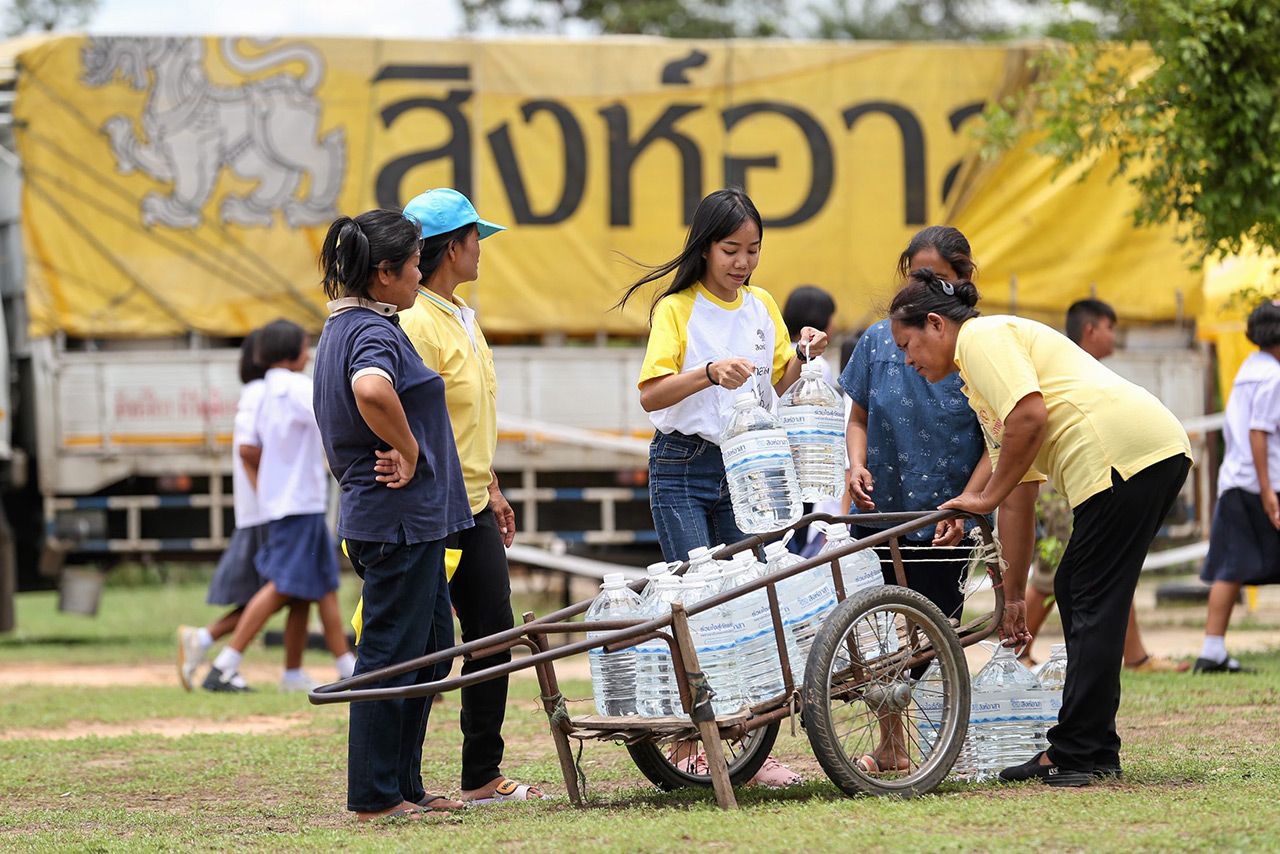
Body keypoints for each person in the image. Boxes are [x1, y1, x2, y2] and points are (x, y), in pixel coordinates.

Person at [890, 269, 1191, 786]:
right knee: (1081, 589)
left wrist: (981, 496)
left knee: (1087, 593)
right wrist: (1010, 596)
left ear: (936, 324)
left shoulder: (983, 339)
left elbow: (1030, 418)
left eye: (907, 344)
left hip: (1123, 456)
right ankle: (1092, 747)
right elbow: (1020, 497)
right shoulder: (977, 381)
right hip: (1143, 455)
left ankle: (1077, 750)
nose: (907, 360)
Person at [621, 187, 828, 789]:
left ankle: (748, 749)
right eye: (731, 249)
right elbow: (651, 393)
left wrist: (806, 354)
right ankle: (691, 745)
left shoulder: (763, 305)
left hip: (748, 467)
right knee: (693, 604)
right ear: (705, 248)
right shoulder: (676, 308)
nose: (743, 262)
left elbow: (778, 387)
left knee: (745, 603)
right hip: (684, 466)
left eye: (753, 250)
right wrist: (708, 372)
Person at [312, 209, 473, 821]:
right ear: (383, 274)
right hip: (395, 521)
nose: (419, 274)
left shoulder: (354, 324)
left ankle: (404, 785)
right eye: (412, 265)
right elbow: (372, 391)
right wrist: (409, 450)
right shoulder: (372, 334)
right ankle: (375, 797)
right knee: (391, 656)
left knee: (429, 647)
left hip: (407, 520)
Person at [398, 188, 540, 804]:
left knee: (493, 634)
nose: (482, 249)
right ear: (451, 248)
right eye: (476, 238)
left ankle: (482, 774)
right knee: (425, 645)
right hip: (433, 508)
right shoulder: (415, 322)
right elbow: (416, 421)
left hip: (476, 502)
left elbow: (471, 418)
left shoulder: (463, 315)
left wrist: (496, 488)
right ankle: (402, 781)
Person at [838, 225, 995, 775]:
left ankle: (929, 732)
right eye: (916, 276)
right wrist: (855, 464)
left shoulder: (978, 345)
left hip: (949, 509)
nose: (926, 287)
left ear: (963, 280)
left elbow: (997, 435)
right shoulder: (880, 338)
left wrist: (972, 502)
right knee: (880, 628)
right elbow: (856, 414)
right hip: (882, 504)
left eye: (938, 278)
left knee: (936, 626)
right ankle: (891, 744)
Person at [1022, 298, 1187, 673]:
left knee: (1112, 565)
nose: (1114, 335)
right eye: (1110, 327)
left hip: (1093, 475)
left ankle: (1135, 655)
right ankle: (1016, 651)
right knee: (1056, 571)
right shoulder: (1066, 369)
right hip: (1071, 481)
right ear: (1090, 330)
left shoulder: (1089, 371)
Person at [201, 320, 356, 692]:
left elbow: (252, 448)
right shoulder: (297, 388)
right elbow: (332, 417)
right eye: (306, 347)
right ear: (292, 353)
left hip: (285, 502)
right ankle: (225, 663)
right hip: (300, 501)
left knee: (321, 586)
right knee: (284, 585)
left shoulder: (262, 392)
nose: (309, 355)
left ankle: (336, 668)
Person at [177, 330, 310, 691]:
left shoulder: (264, 391)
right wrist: (273, 494)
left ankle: (291, 672)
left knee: (300, 588)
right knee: (286, 587)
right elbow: (249, 450)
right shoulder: (260, 393)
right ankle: (210, 644)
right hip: (270, 510)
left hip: (272, 507)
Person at [1194, 300, 1280, 673]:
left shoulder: (1249, 370)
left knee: (1230, 566)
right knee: (1230, 566)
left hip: (1236, 480)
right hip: (1265, 483)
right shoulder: (1274, 377)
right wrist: (1268, 492)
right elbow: (1258, 432)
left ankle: (1212, 650)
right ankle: (1212, 651)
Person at [782, 284, 840, 555]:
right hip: (805, 465)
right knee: (801, 534)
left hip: (778, 460)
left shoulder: (780, 353)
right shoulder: (818, 364)